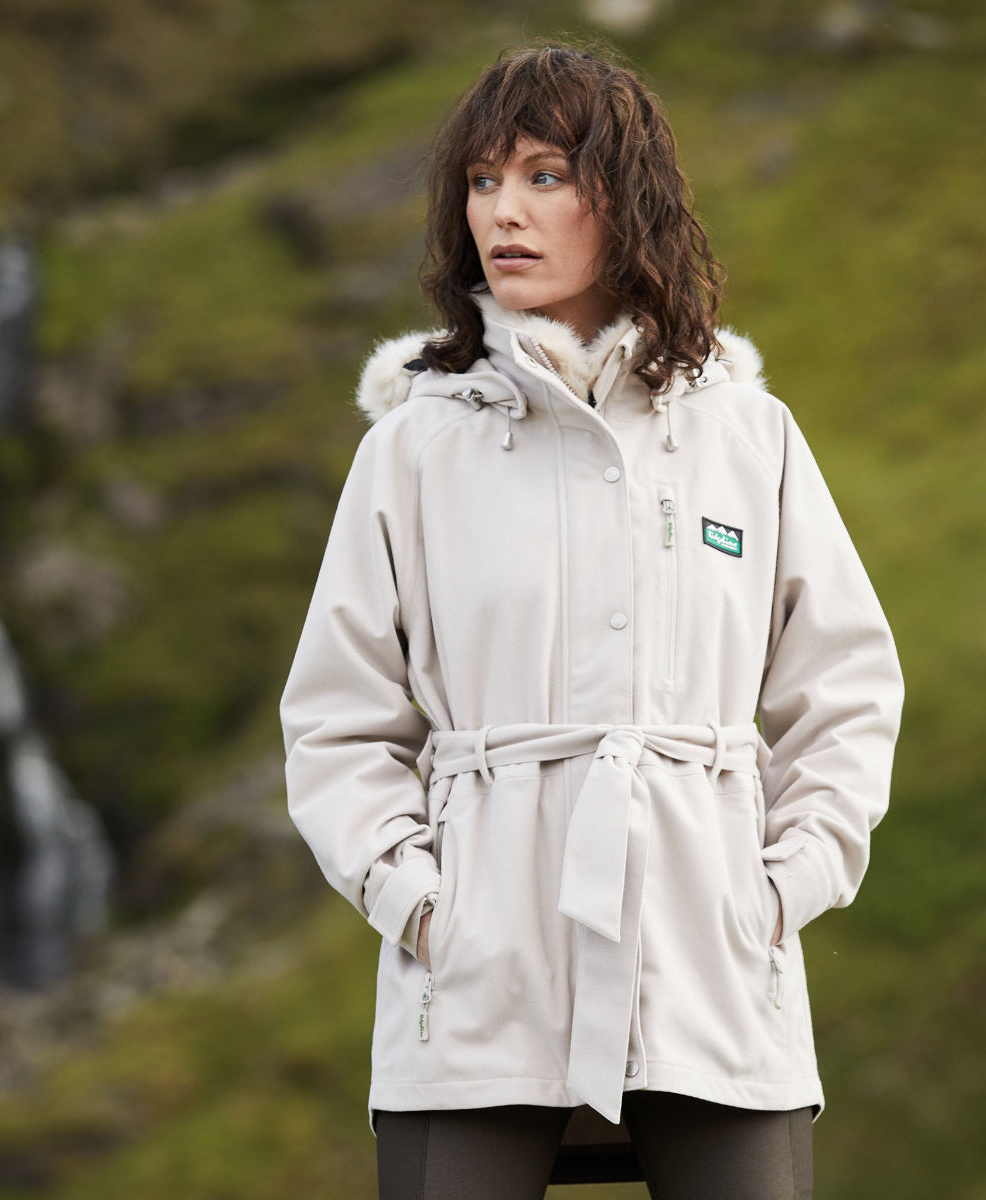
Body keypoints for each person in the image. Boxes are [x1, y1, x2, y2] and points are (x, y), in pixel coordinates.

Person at [279, 41, 903, 1200]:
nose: (501, 212)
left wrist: (779, 890)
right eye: (480, 181)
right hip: (473, 972)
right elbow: (337, 719)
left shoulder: (746, 438)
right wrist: (418, 904)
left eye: (544, 176)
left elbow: (847, 690)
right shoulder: (413, 450)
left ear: (629, 198)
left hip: (712, 959)